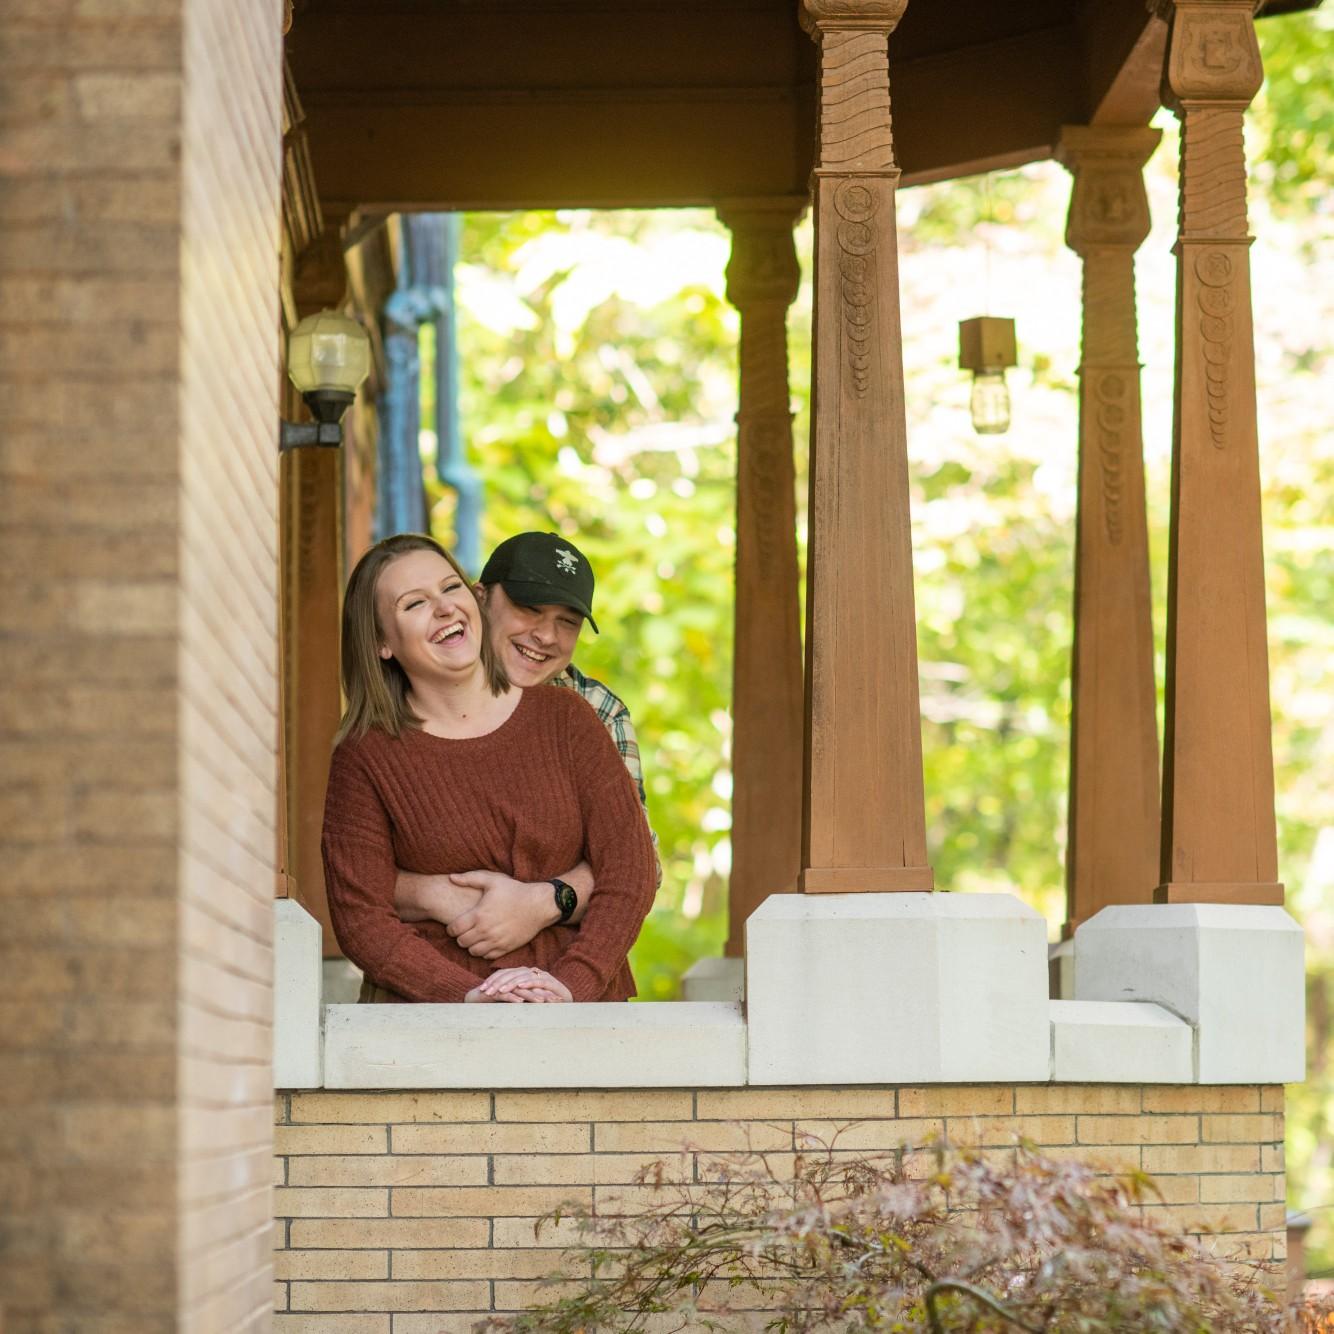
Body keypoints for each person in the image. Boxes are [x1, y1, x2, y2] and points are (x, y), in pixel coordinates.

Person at [321, 533, 656, 1003]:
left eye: (449, 588)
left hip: (578, 1015)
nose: (444, 608)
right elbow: (360, 915)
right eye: (414, 603)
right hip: (433, 1023)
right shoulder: (365, 755)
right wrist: (472, 996)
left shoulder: (573, 717)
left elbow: (632, 868)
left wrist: (570, 985)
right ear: (381, 641)